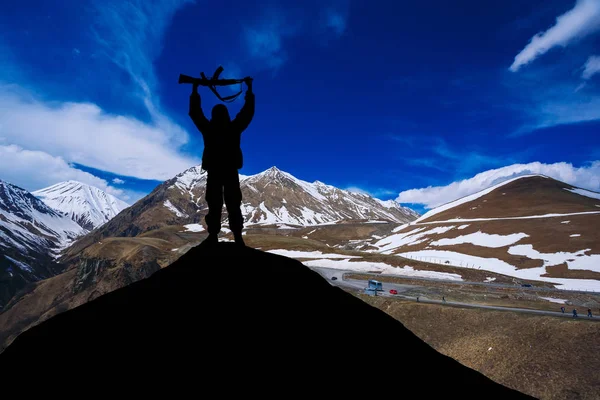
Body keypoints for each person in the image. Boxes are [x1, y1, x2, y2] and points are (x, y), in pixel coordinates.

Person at [188, 77, 255, 246]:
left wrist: (195, 91)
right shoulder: (234, 128)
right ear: (226, 115)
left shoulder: (208, 129)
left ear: (213, 116)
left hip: (215, 172)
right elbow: (248, 112)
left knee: (214, 203)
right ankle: (238, 236)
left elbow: (195, 113)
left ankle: (213, 235)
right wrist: (250, 90)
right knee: (233, 203)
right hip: (230, 171)